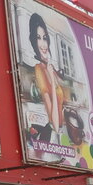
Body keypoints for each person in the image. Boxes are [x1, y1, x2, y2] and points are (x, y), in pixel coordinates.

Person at [28, 12, 65, 143]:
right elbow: (54, 123)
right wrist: (53, 82)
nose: (43, 44)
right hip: (52, 137)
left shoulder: (50, 68)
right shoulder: (39, 69)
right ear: (33, 41)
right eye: (38, 38)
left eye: (45, 38)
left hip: (61, 137)